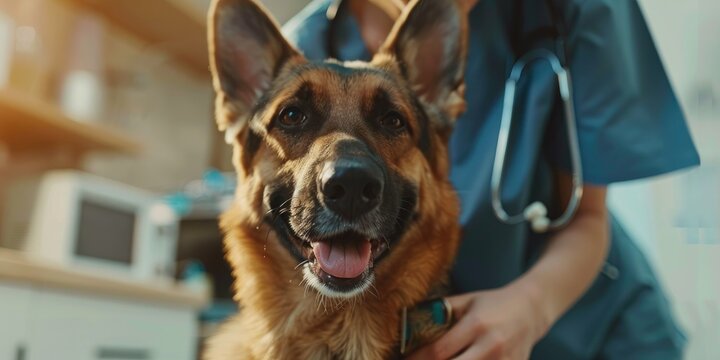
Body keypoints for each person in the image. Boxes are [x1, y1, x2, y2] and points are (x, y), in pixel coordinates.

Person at [282, 0, 700, 358]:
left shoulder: (571, 9)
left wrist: (530, 308)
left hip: (594, 330)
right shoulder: (301, 50)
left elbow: (587, 217)